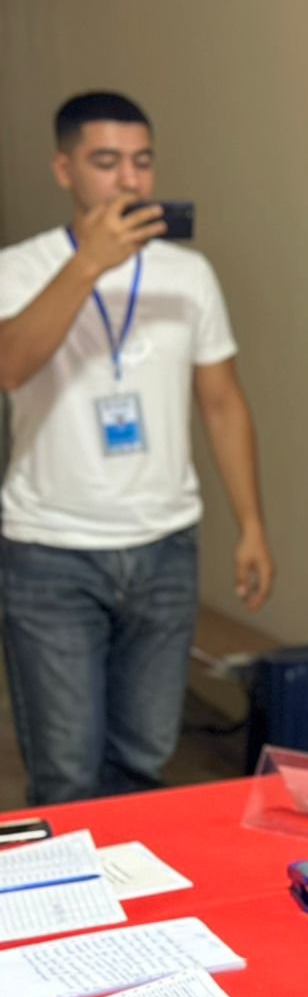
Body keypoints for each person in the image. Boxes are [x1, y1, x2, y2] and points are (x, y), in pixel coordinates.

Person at [0, 91, 273, 806]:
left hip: (164, 548)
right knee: (65, 772)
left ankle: (133, 913)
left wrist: (251, 526)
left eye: (142, 162)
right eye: (106, 162)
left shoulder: (188, 274)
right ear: (64, 169)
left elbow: (221, 402)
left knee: (144, 766)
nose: (128, 180)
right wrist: (86, 265)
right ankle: (72, 912)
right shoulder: (21, 269)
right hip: (50, 552)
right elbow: (10, 364)